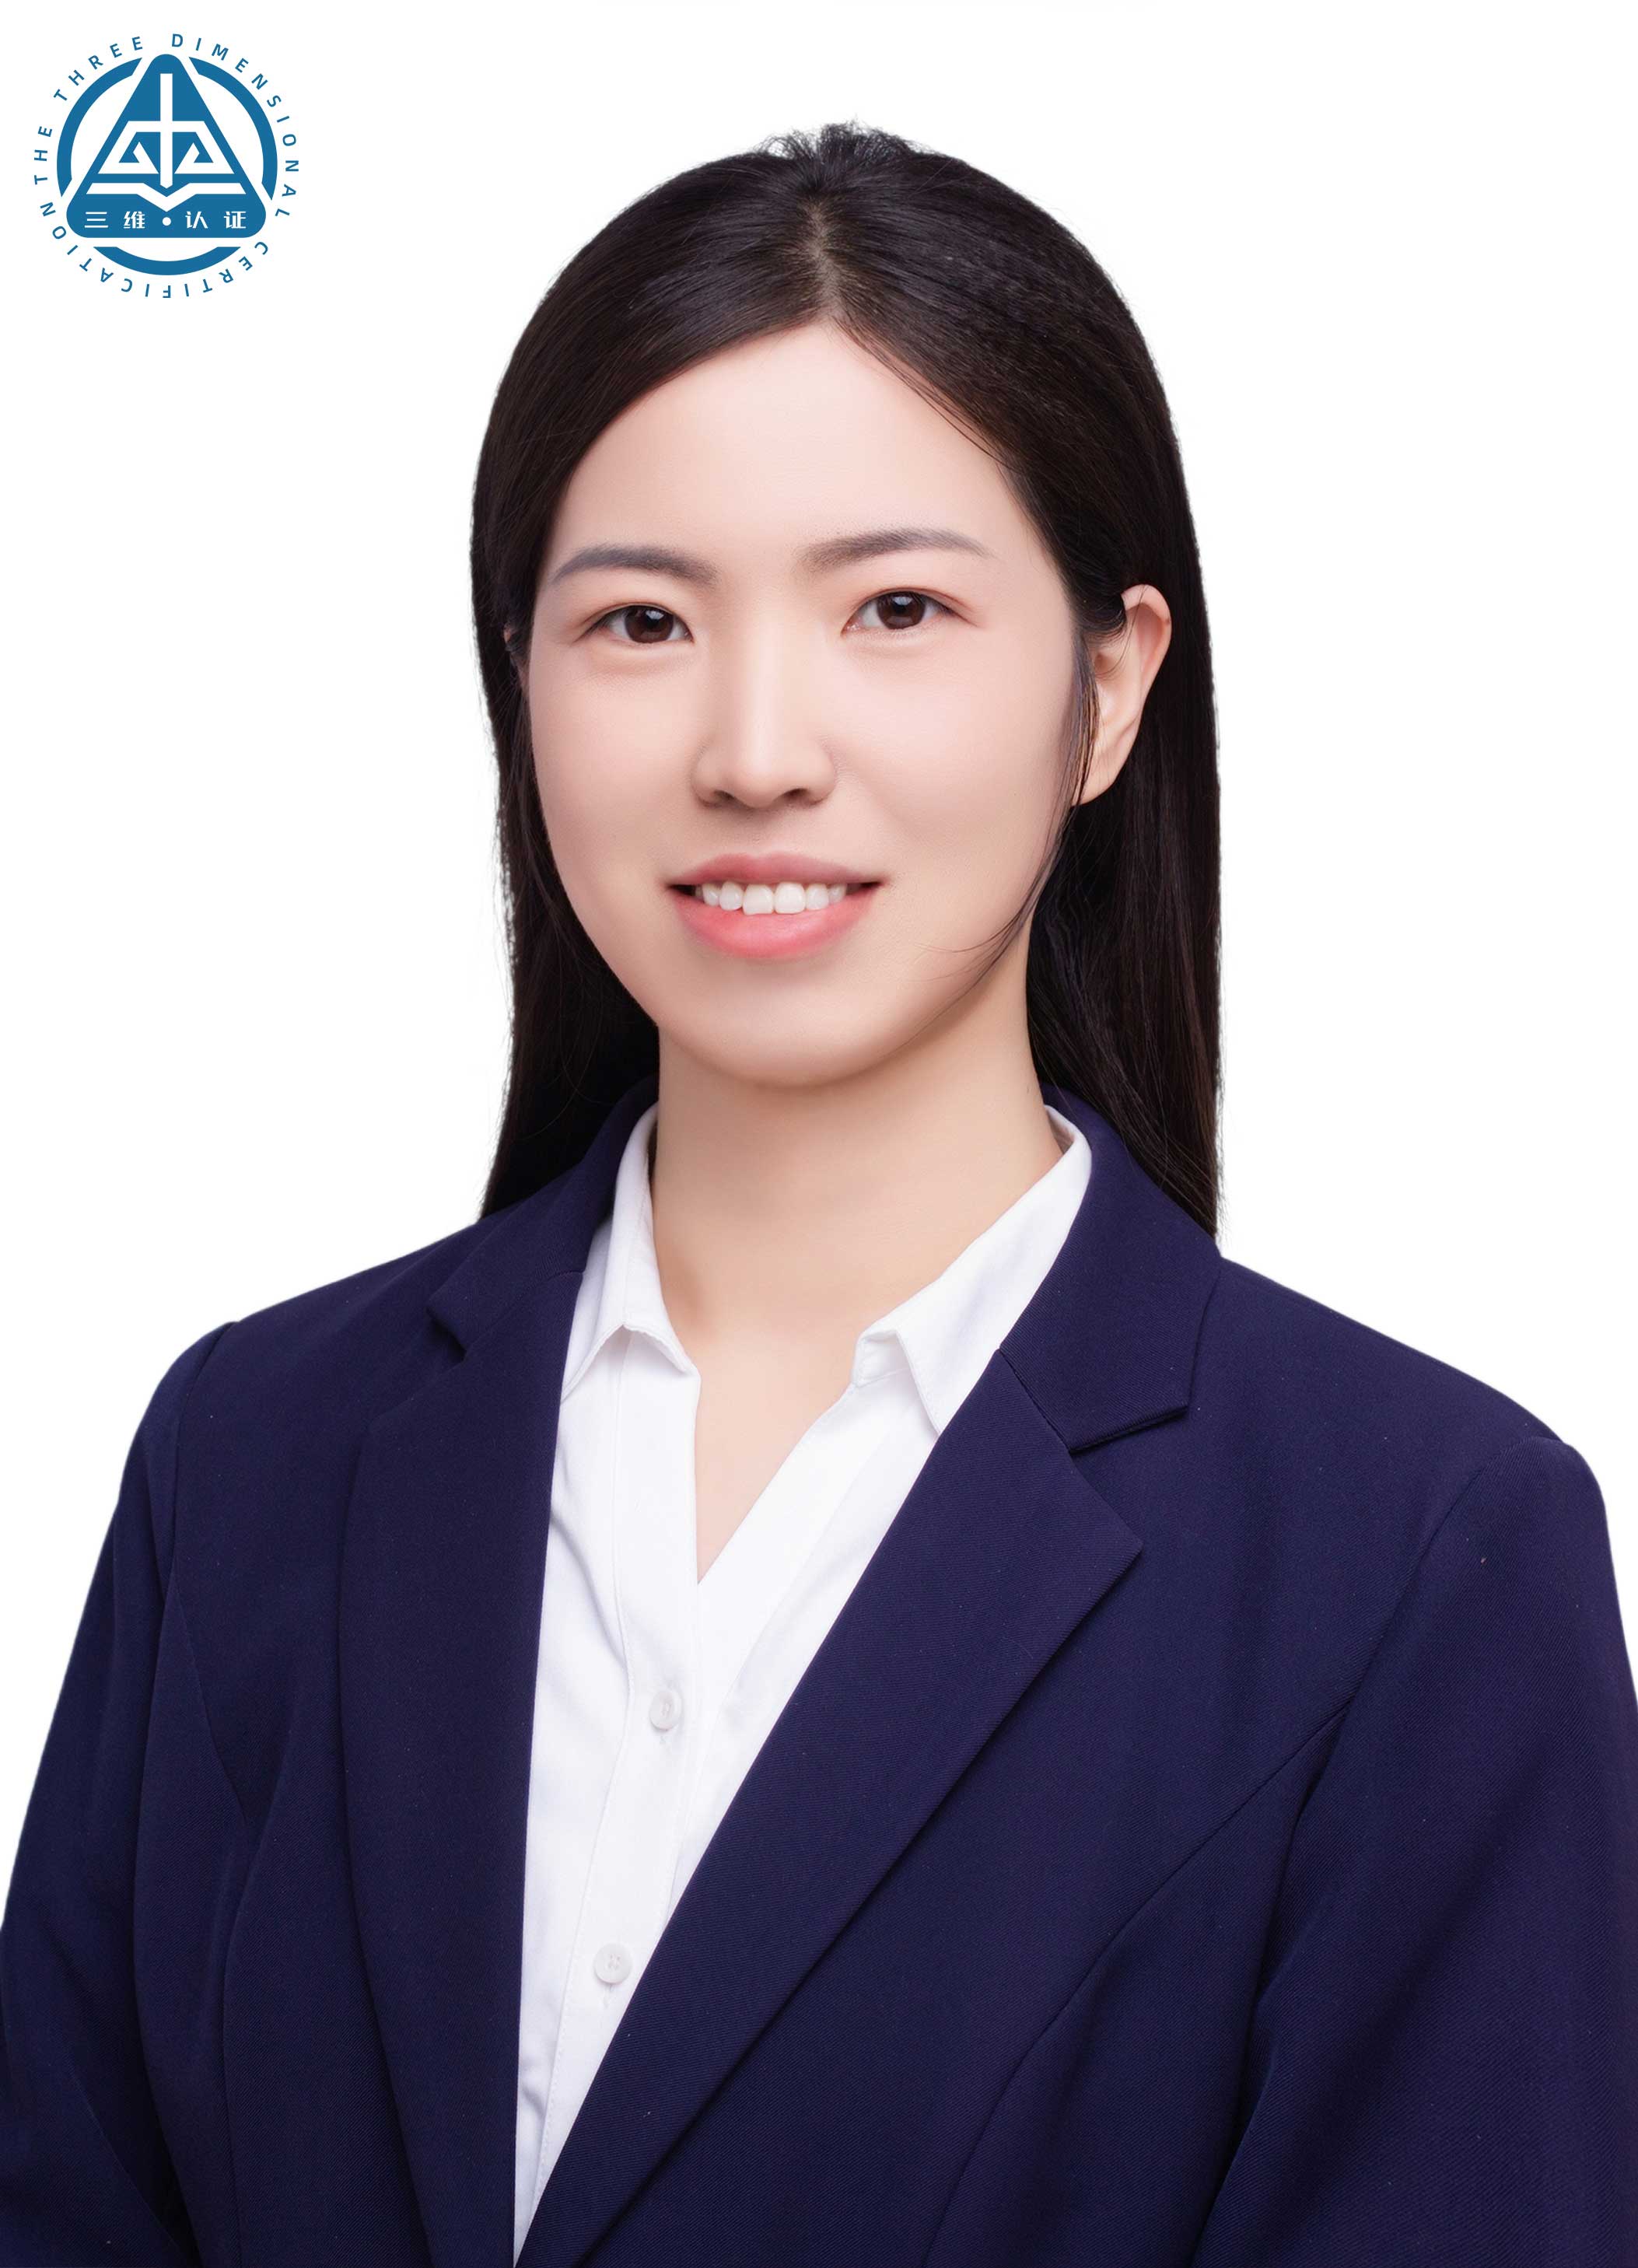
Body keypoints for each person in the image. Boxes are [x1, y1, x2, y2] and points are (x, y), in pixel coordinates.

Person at [3, 120, 1635, 2268]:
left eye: (895, 609)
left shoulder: (1420, 1551)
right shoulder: (250, 1456)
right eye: (641, 619)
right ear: (521, 684)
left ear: (1107, 687)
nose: (756, 746)